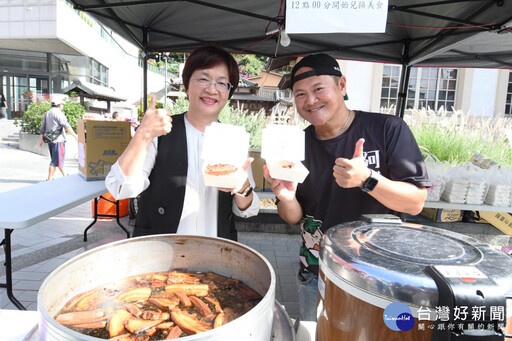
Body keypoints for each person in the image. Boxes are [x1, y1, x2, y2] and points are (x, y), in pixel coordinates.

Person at [263, 53, 431, 321]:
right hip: (317, 271)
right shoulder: (295, 144)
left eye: (319, 89)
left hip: (380, 277)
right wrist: (286, 197)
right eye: (300, 94)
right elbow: (294, 217)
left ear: (341, 85)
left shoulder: (387, 129)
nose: (310, 101)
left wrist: (368, 179)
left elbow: (415, 202)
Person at [105, 45, 259, 240]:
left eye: (222, 83)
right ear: (187, 85)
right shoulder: (160, 132)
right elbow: (120, 188)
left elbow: (247, 210)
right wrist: (143, 134)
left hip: (216, 255)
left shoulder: (233, 140)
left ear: (229, 92)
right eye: (203, 79)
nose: (212, 89)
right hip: (161, 256)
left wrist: (242, 187)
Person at [39, 100, 78, 180]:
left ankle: (64, 175)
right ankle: (49, 178)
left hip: (50, 139)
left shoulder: (47, 113)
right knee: (55, 160)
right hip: (58, 140)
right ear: (59, 105)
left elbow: (42, 128)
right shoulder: (58, 113)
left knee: (57, 159)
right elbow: (66, 126)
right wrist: (75, 136)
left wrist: (41, 140)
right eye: (62, 104)